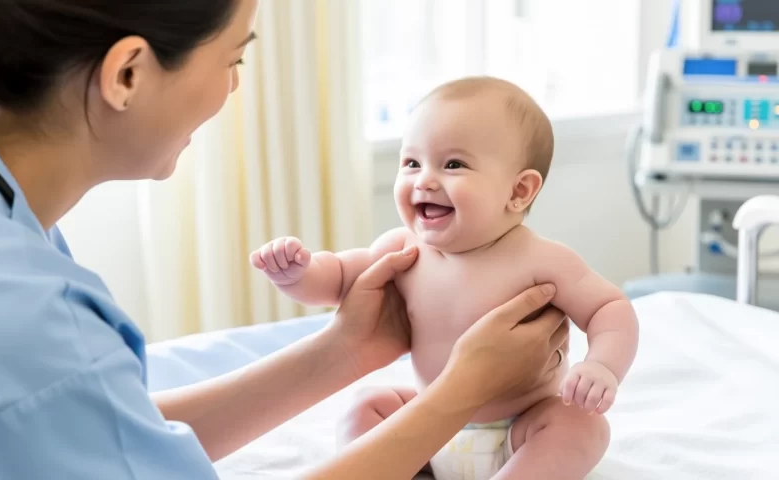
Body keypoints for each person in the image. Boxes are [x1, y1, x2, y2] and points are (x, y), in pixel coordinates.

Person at [0, 1, 571, 479]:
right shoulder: (30, 324)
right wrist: (460, 392)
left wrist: (344, 351)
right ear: (127, 74)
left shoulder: (6, 220)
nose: (232, 88)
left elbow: (91, 434)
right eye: (233, 60)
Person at [252, 76, 640, 479]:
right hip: (424, 428)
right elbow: (337, 280)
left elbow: (609, 308)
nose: (424, 180)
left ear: (519, 191)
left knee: (581, 425)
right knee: (366, 405)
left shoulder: (542, 260)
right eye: (411, 163)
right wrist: (298, 272)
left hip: (519, 428)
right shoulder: (403, 249)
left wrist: (603, 366)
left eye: (453, 164)